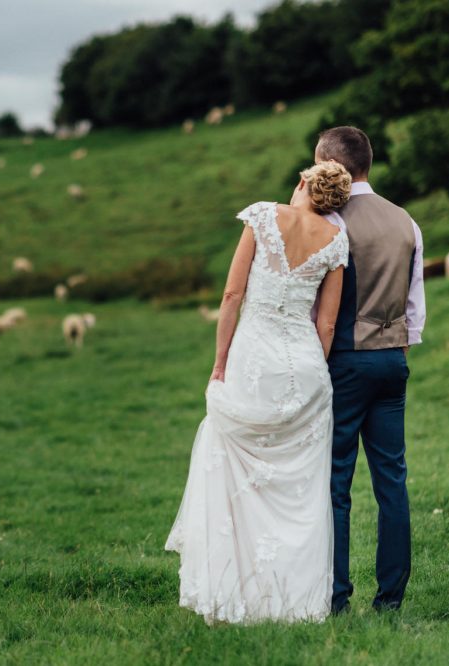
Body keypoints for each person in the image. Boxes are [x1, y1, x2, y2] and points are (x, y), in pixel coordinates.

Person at [165, 161, 352, 623]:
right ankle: (298, 603)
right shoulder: (336, 240)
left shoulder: (264, 216)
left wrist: (219, 364)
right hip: (305, 369)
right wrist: (313, 372)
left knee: (237, 479)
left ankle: (235, 592)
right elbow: (325, 323)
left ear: (305, 184)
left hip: (253, 362)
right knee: (299, 493)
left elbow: (231, 297)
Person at [314, 126, 425, 614]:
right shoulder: (407, 222)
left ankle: (336, 597)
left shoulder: (332, 221)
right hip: (393, 359)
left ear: (330, 164)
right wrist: (399, 347)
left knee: (335, 482)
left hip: (345, 360)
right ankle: (391, 600)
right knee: (391, 481)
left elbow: (323, 304)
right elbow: (414, 304)